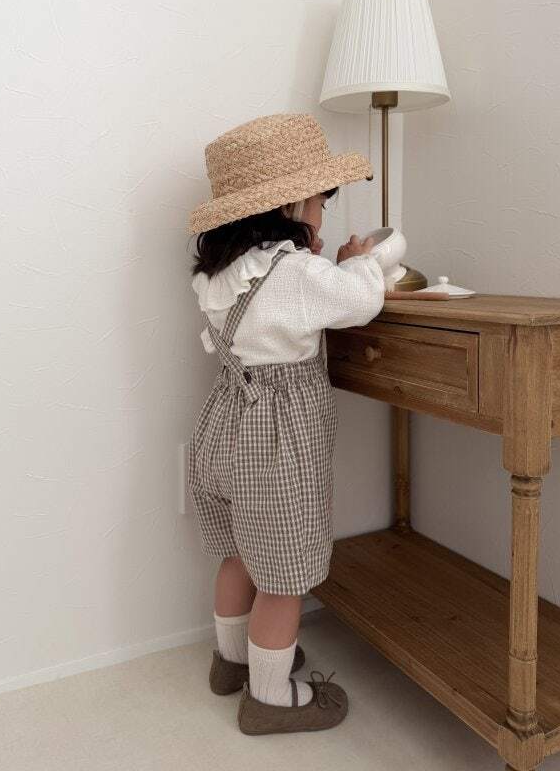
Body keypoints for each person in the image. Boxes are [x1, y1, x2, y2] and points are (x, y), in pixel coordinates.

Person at [188, 113, 385, 734]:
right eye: (322, 200)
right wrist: (357, 262)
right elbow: (362, 302)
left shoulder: (221, 276)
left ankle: (232, 663)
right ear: (296, 204)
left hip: (223, 428)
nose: (323, 212)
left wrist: (311, 259)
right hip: (277, 441)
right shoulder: (297, 273)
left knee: (239, 555)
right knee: (282, 575)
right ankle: (270, 698)